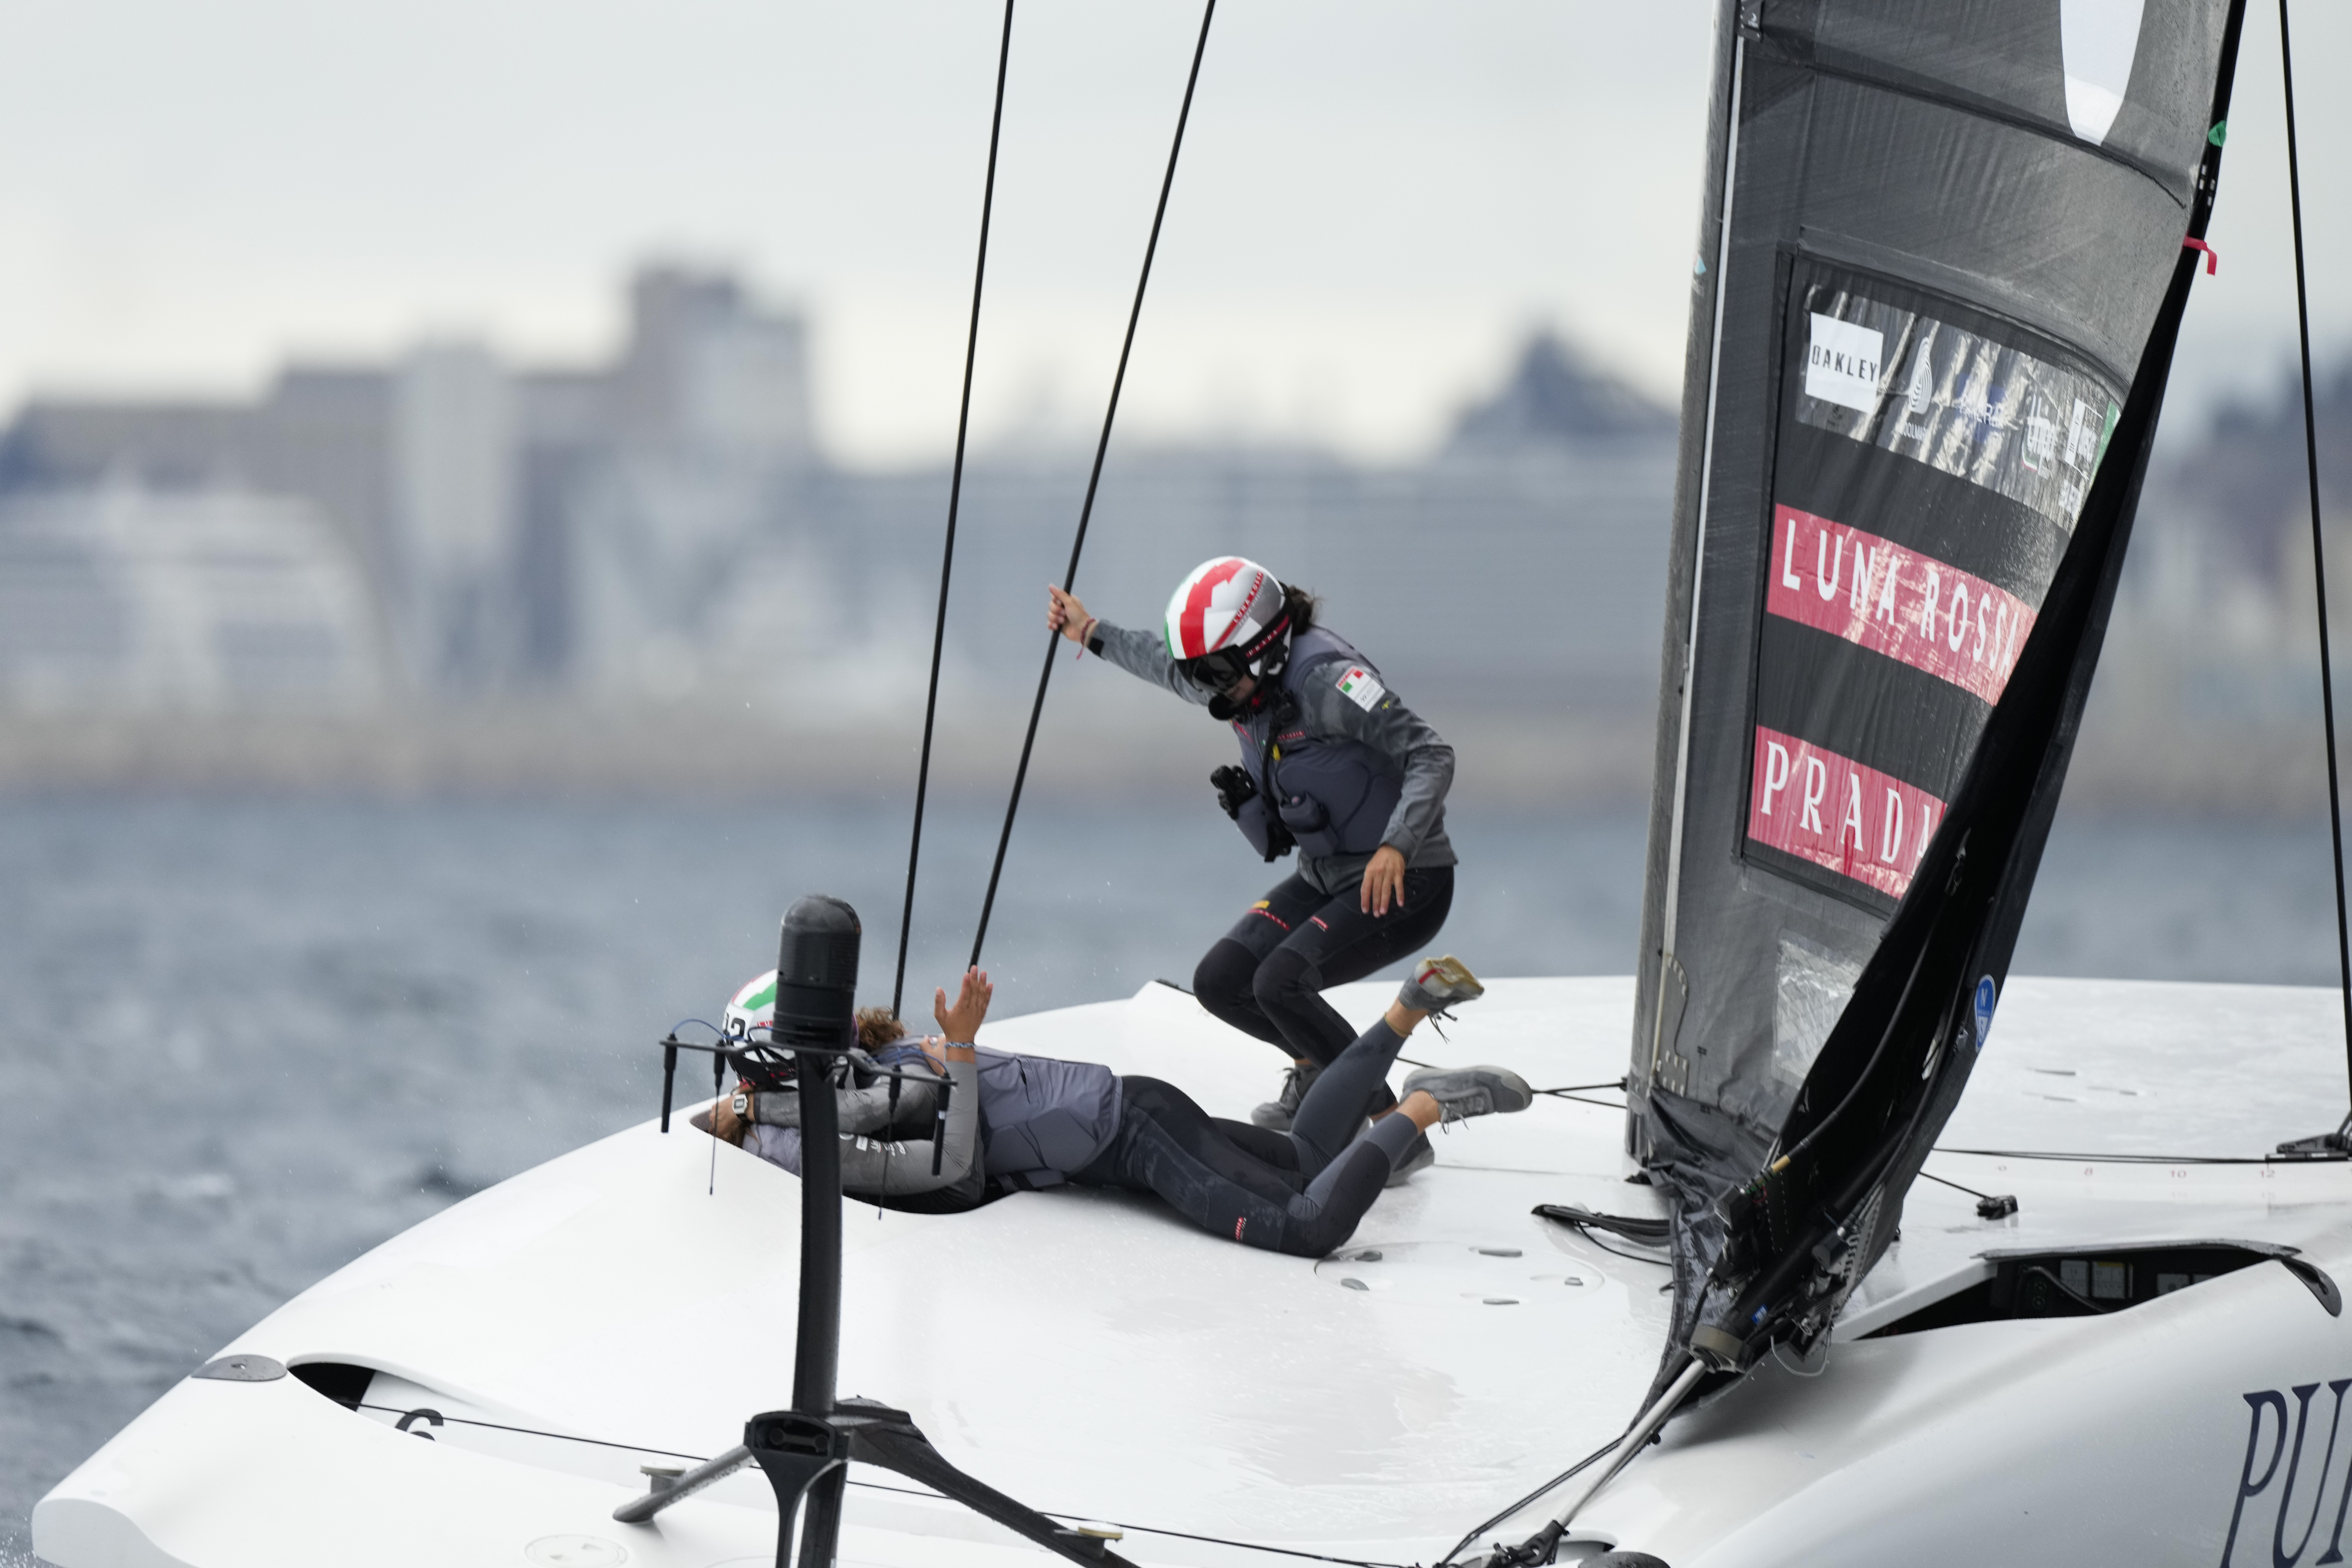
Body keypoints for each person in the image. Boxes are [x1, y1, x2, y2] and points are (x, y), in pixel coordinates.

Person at [704, 955, 1531, 1258]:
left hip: (1131, 1137)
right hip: (1132, 1108)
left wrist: (961, 1051)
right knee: (1310, 1160)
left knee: (1309, 1225)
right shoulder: (875, 1062)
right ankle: (1408, 1010)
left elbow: (952, 1171)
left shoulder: (910, 1071)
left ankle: (1421, 1110)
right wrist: (738, 1121)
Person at [1047, 558, 1458, 1130]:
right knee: (1221, 982)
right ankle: (1318, 1070)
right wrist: (1090, 633)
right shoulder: (1241, 684)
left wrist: (1398, 844)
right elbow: (1161, 666)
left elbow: (1431, 753)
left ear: (1263, 647)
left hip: (1409, 878)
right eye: (1201, 674)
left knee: (1280, 983)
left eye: (1214, 671)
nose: (1205, 687)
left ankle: (1394, 1128)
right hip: (1326, 874)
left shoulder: (1327, 683)